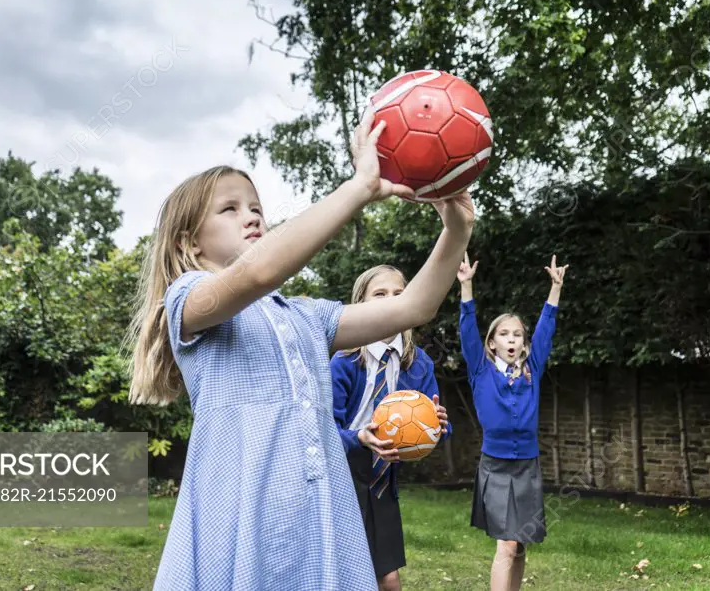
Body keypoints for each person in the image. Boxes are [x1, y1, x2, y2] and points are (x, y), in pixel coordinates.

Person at [126, 106, 475, 591]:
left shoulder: (306, 317)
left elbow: (413, 307)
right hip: (241, 514)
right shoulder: (187, 299)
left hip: (318, 511)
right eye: (229, 209)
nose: (250, 216)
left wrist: (456, 229)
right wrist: (360, 188)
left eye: (255, 208)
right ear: (190, 243)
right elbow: (257, 273)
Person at [331, 264, 452, 590]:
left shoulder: (420, 363)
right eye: (379, 294)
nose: (390, 300)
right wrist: (359, 437)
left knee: (388, 577)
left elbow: (431, 423)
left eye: (399, 294)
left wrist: (439, 424)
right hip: (343, 475)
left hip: (383, 479)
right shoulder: (344, 360)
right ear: (360, 304)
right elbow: (325, 428)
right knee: (348, 573)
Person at [457, 252, 567, 591]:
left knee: (519, 546)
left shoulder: (532, 369)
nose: (511, 339)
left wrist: (555, 289)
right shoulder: (480, 370)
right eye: (504, 334)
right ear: (492, 343)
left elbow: (546, 330)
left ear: (523, 344)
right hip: (496, 466)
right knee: (505, 544)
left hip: (527, 466)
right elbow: (467, 331)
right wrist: (466, 286)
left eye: (517, 335)